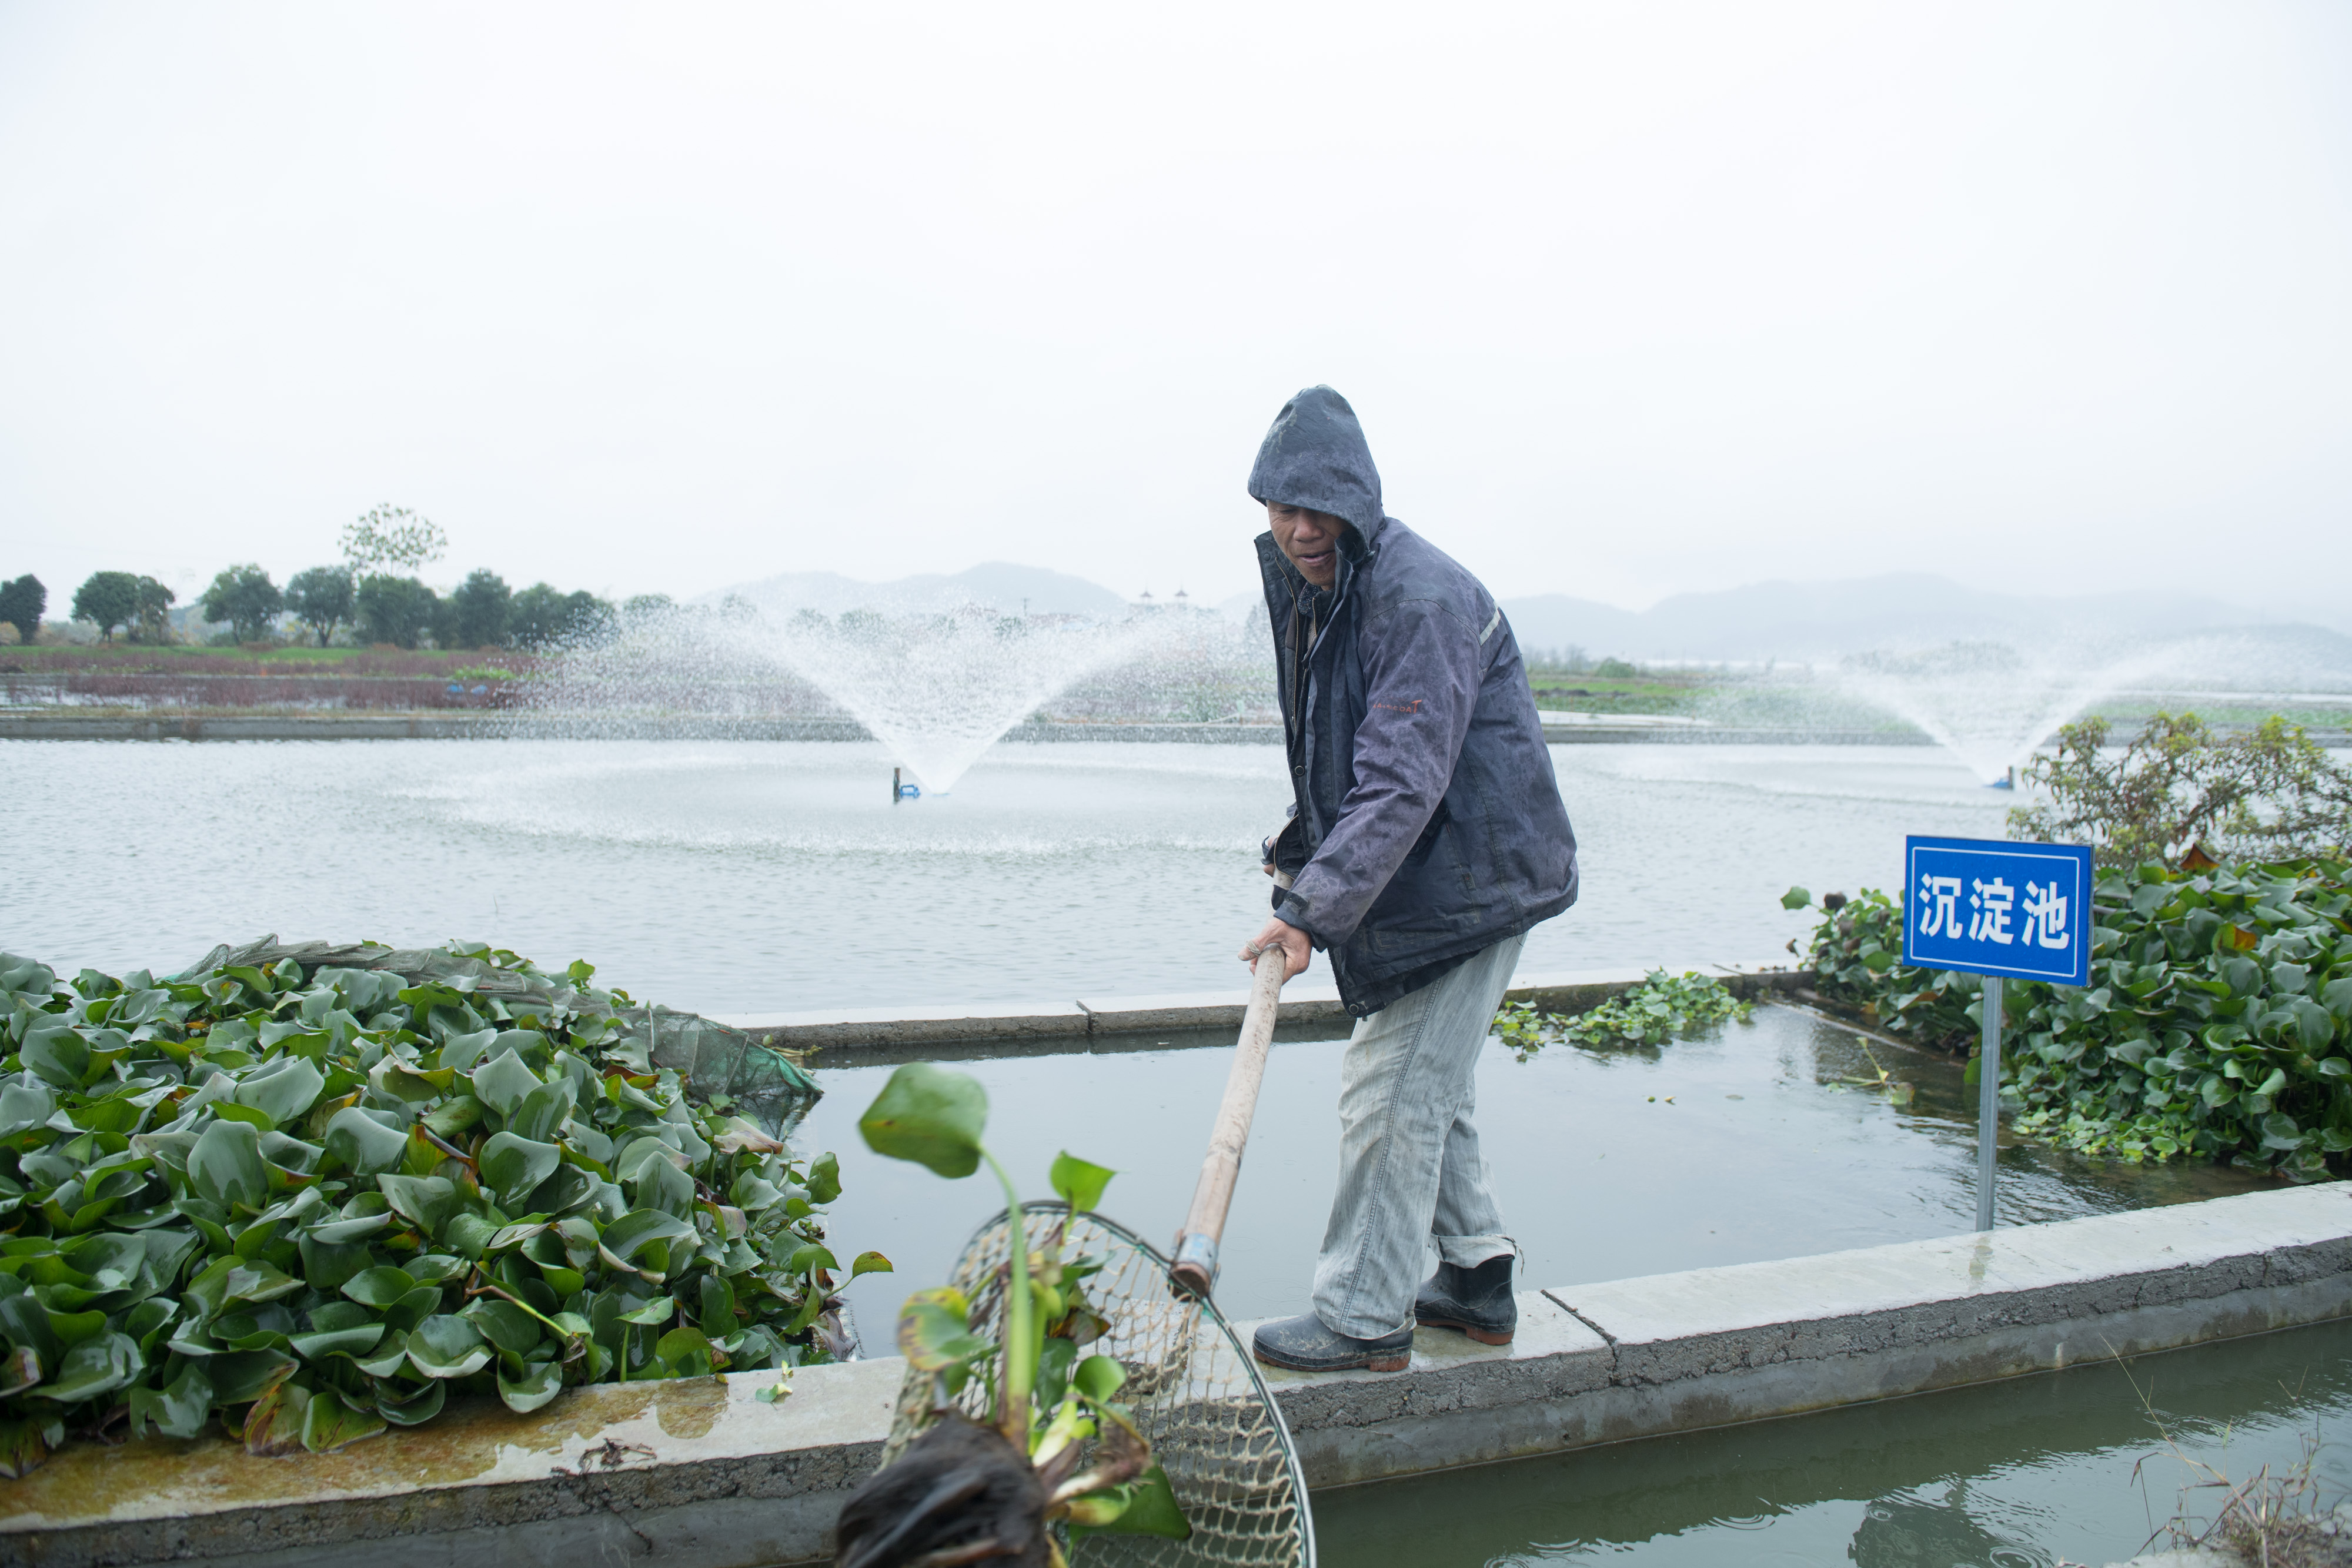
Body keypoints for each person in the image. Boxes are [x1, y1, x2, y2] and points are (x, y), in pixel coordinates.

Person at [1239, 385, 1579, 1374]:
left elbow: (1402, 778)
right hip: (1432, 864)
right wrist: (1305, 855)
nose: (1299, 529)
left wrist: (1311, 917)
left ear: (1357, 498)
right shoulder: (1322, 584)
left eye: (1318, 509)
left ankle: (1364, 1315)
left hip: (1478, 870)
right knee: (1434, 1079)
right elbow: (1338, 747)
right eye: (1280, 507)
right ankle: (1476, 1279)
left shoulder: (1418, 596)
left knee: (1390, 1085)